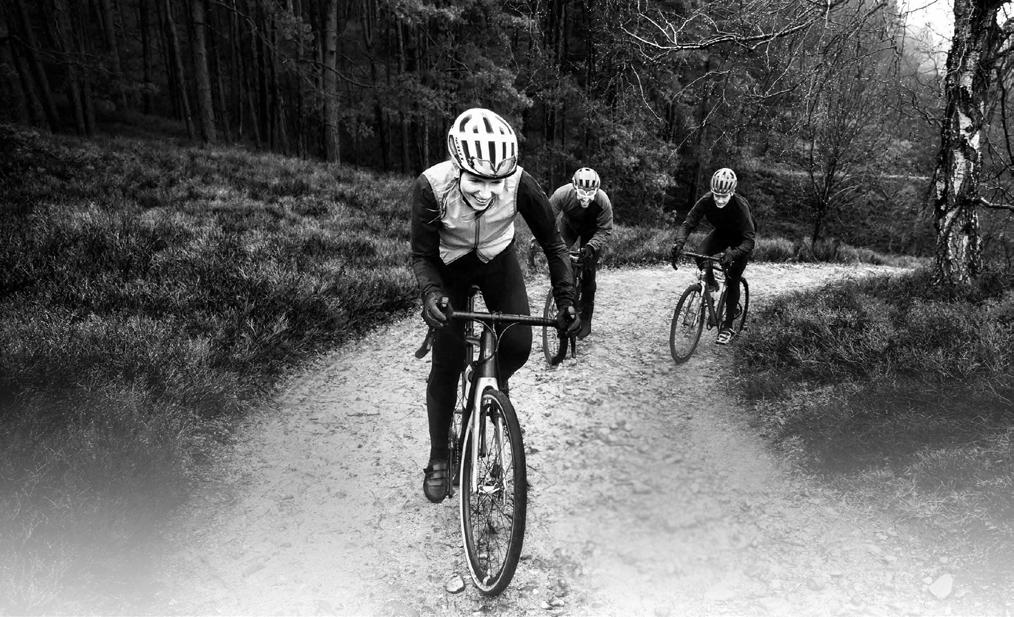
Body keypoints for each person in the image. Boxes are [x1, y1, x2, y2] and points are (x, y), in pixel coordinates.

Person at [410, 108, 580, 503]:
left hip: (497, 260)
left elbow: (554, 244)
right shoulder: (431, 186)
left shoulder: (521, 183)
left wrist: (566, 300)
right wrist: (431, 294)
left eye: (495, 182)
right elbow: (422, 255)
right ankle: (439, 457)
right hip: (449, 266)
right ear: (456, 166)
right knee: (447, 363)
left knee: (518, 345)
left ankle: (485, 383)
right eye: (475, 180)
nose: (486, 193)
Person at [669, 167, 756, 345]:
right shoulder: (706, 200)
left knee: (733, 278)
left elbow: (749, 241)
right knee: (701, 254)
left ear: (732, 192)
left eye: (724, 196)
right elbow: (687, 224)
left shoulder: (740, 206)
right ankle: (710, 283)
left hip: (741, 239)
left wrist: (733, 254)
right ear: (712, 191)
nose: (720, 200)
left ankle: (727, 327)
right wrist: (678, 244)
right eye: (717, 195)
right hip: (722, 233)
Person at [547, 167, 613, 339]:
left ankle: (586, 317)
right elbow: (546, 218)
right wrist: (541, 239)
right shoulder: (562, 194)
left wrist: (591, 247)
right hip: (569, 226)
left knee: (589, 273)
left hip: (592, 232)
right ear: (574, 187)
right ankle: (564, 302)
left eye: (590, 193)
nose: (586, 197)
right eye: (582, 192)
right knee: (560, 261)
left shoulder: (603, 201)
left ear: (597, 191)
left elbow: (605, 229)